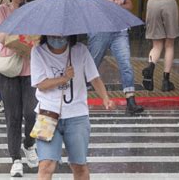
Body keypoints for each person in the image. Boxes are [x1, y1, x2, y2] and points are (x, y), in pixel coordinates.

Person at [31, 35, 116, 179]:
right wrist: (64, 78)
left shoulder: (80, 50)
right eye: (53, 34)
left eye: (61, 35)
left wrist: (105, 98)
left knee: (79, 166)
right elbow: (41, 84)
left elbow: (94, 77)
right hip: (46, 114)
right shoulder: (38, 51)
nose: (57, 38)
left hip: (77, 116)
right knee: (46, 166)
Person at [0, 0, 38, 177]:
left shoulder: (35, 10)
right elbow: (3, 37)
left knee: (31, 113)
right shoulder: (1, 10)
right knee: (13, 116)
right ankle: (15, 159)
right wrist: (25, 42)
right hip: (8, 71)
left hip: (31, 71)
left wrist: (24, 40)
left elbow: (40, 37)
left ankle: (29, 144)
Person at [84, 0, 144, 115]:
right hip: (99, 30)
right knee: (91, 64)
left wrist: (120, 4)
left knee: (125, 64)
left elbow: (129, 5)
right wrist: (105, 2)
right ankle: (79, 95)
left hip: (120, 30)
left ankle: (130, 101)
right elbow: (86, 4)